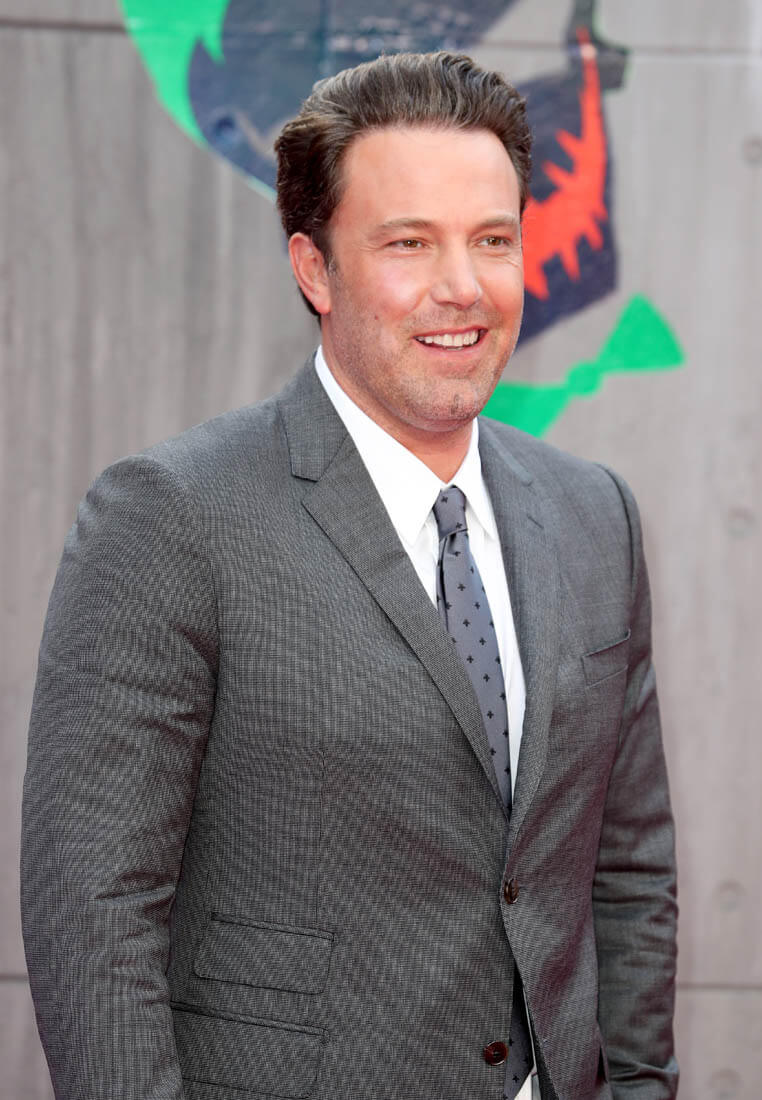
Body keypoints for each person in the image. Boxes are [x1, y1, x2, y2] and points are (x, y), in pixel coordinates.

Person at [21, 51, 678, 1100]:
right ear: (315, 269)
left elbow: (629, 866)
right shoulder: (170, 517)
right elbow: (92, 912)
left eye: (493, 239)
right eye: (409, 243)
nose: (462, 286)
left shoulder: (595, 515)